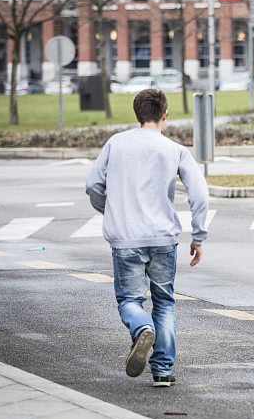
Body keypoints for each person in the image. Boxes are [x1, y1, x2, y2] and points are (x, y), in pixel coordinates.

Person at [85, 89, 209, 387]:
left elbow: (93, 186)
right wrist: (199, 235)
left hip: (125, 239)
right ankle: (163, 371)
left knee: (130, 299)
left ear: (137, 114)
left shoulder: (116, 144)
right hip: (163, 238)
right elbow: (200, 193)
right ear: (164, 115)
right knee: (164, 301)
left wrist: (111, 211)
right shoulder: (174, 149)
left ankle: (142, 328)